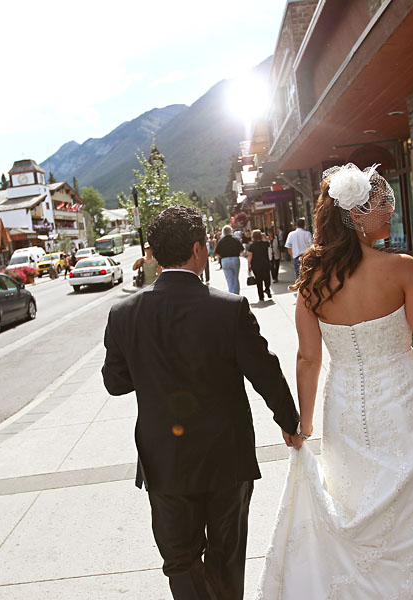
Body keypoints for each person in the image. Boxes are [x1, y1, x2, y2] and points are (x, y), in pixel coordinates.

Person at [257, 164, 413, 599]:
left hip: (345, 412)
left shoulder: (312, 282)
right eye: (380, 204)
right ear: (355, 214)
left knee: (359, 517)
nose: (390, 210)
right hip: (408, 408)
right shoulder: (402, 269)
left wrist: (305, 424)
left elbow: (308, 359)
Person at [102, 206, 299, 600]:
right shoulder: (229, 308)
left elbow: (115, 383)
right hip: (226, 455)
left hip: (164, 459)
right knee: (226, 557)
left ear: (155, 254)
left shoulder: (124, 313)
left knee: (179, 559)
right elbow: (265, 372)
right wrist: (289, 421)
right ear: (197, 249)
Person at [215, 225, 244, 294]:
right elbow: (242, 250)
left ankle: (232, 293)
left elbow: (217, 253)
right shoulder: (235, 239)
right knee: (235, 277)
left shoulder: (221, 241)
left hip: (225, 260)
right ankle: (237, 294)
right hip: (235, 258)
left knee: (229, 279)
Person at [247, 229, 272, 302]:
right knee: (267, 277)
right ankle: (267, 288)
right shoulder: (265, 243)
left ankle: (261, 296)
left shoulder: (251, 245)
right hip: (265, 263)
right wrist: (265, 236)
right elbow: (270, 241)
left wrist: (248, 265)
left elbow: (249, 256)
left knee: (259, 280)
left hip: (256, 265)